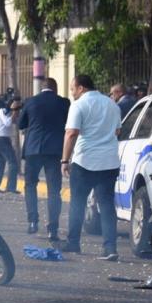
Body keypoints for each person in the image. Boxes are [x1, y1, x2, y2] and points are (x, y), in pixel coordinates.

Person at [57, 74, 122, 261]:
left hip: (85, 162)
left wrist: (64, 160)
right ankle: (110, 248)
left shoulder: (78, 105)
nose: (72, 93)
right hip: (109, 162)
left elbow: (71, 133)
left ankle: (73, 243)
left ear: (81, 88)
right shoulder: (112, 105)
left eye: (72, 89)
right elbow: (117, 131)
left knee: (77, 203)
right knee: (107, 205)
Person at [18, 78, 70, 238]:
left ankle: (33, 221)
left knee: (30, 185)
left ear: (42, 88)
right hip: (54, 150)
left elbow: (21, 124)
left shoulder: (30, 101)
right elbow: (69, 124)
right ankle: (52, 228)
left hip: (33, 149)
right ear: (55, 88)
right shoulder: (64, 103)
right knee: (54, 190)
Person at [0, 99, 21, 194]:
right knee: (13, 163)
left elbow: (16, 122)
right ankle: (10, 188)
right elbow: (8, 123)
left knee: (1, 163)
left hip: (3, 139)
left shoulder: (8, 112)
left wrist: (16, 112)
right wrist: (14, 111)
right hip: (1, 139)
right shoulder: (2, 110)